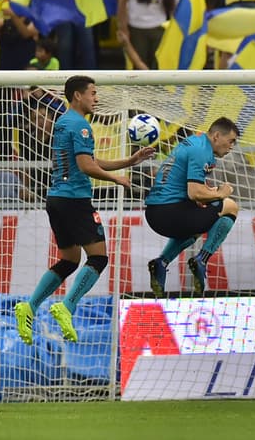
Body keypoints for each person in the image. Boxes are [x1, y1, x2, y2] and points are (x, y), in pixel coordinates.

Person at [13, 76, 155, 345]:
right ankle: (67, 306)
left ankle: (29, 307)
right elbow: (86, 166)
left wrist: (130, 160)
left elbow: (90, 160)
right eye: (92, 93)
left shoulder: (65, 122)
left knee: (69, 260)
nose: (96, 98)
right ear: (77, 96)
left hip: (57, 199)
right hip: (75, 200)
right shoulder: (80, 126)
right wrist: (118, 179)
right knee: (99, 258)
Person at [144, 118, 241, 298]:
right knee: (231, 206)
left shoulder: (195, 143)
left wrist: (211, 192)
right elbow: (195, 192)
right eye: (231, 141)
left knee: (200, 221)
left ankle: (161, 263)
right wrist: (221, 193)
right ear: (217, 136)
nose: (231, 147)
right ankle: (202, 259)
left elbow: (193, 189)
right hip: (169, 212)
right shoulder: (202, 151)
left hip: (156, 211)